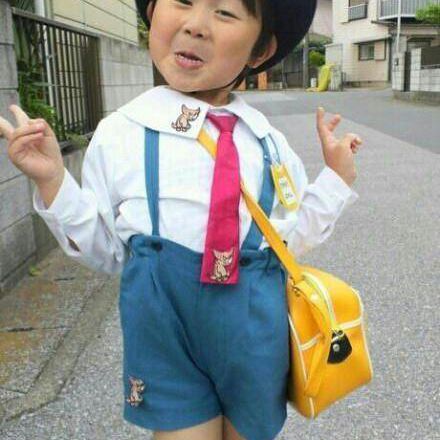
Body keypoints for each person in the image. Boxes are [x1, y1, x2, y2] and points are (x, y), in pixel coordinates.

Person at [0, 0, 364, 438]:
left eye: (224, 13)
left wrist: (336, 178)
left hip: (255, 335)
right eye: (183, 1)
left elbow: (289, 239)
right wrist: (54, 181)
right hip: (164, 333)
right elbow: (108, 251)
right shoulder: (121, 133)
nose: (196, 26)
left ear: (260, 49)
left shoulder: (268, 142)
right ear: (153, 11)